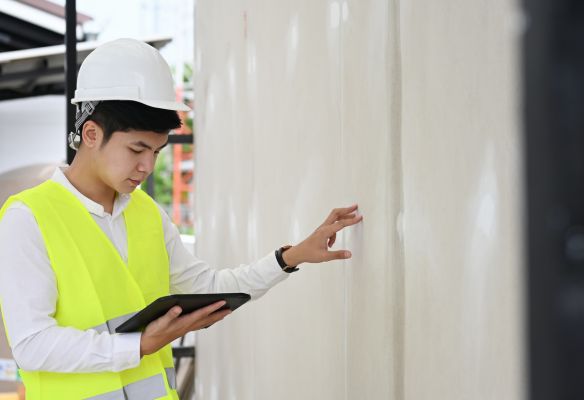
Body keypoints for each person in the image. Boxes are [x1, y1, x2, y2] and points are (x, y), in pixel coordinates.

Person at [0, 38, 362, 400]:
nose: (147, 166)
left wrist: (291, 257)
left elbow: (208, 288)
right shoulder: (28, 218)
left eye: (156, 151)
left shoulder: (145, 213)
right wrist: (140, 345)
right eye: (136, 149)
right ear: (91, 133)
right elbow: (31, 344)